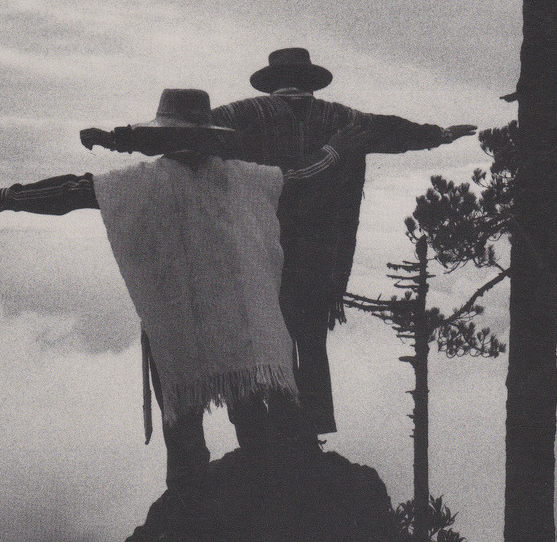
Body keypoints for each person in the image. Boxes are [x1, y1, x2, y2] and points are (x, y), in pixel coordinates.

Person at [0, 89, 371, 489]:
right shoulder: (239, 178)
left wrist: (0, 198)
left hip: (175, 320)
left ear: (163, 135)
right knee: (248, 411)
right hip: (234, 318)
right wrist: (337, 148)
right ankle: (258, 496)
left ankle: (191, 505)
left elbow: (71, 191)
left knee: (184, 418)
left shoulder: (144, 183)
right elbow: (301, 174)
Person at [81, 48, 477, 441]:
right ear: (311, 81)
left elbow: (182, 133)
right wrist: (438, 135)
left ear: (271, 83)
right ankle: (309, 429)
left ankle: (277, 426)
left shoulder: (245, 115)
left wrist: (116, 139)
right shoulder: (342, 119)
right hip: (321, 251)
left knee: (269, 335)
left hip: (257, 244)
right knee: (311, 339)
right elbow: (395, 131)